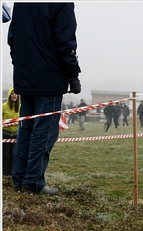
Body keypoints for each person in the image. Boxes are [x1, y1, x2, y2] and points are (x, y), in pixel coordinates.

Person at [8, 3, 81, 195]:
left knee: (26, 130)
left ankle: (19, 179)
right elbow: (65, 41)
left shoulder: (21, 4)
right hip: (49, 79)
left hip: (25, 78)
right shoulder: (61, 4)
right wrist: (73, 74)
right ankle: (33, 182)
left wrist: (21, 66)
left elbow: (12, 38)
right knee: (44, 132)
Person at [2, 87, 20, 176]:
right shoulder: (3, 106)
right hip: (5, 134)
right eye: (12, 93)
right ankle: (3, 172)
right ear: (9, 95)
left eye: (15, 93)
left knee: (13, 154)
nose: (14, 95)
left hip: (15, 134)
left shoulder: (20, 107)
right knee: (4, 154)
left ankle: (10, 172)